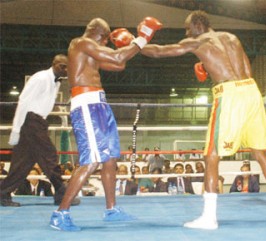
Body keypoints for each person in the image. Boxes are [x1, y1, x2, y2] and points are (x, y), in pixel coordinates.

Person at [141, 10, 266, 229]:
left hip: (229, 96)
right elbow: (247, 70)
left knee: (211, 155)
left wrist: (139, 40)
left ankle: (209, 218)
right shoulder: (232, 38)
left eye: (187, 28)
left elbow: (160, 52)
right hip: (251, 91)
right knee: (259, 152)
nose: (186, 32)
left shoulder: (198, 41)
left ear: (196, 26)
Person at [49, 17, 162, 231]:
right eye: (105, 40)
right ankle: (60, 214)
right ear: (97, 33)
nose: (107, 44)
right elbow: (117, 56)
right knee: (91, 161)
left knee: (110, 158)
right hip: (86, 106)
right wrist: (142, 38)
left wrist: (131, 45)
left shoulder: (92, 51)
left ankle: (111, 210)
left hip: (99, 104)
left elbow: (119, 64)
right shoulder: (81, 43)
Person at [0, 54, 80, 207]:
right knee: (50, 156)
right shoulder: (41, 78)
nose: (64, 69)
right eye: (61, 66)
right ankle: (61, 193)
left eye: (66, 67)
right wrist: (15, 129)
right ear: (54, 64)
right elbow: (23, 100)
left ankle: (2, 193)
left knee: (22, 164)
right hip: (31, 122)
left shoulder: (56, 83)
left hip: (38, 122)